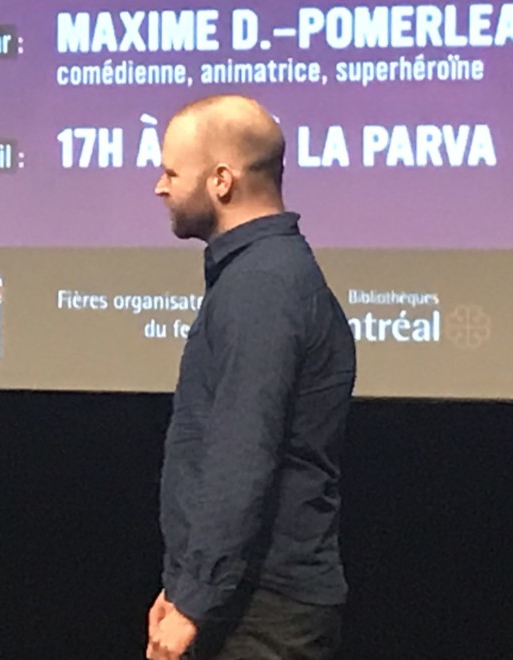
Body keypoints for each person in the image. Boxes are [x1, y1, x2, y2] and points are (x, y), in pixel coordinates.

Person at [145, 95, 357, 660]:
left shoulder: (263, 286)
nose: (160, 187)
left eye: (172, 173)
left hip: (263, 610)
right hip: (247, 599)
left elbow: (243, 452)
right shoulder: (259, 275)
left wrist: (194, 599)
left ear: (221, 181)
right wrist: (184, 584)